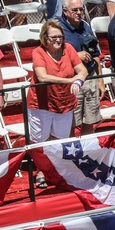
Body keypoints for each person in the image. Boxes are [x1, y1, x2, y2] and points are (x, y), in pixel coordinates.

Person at [28, 20, 86, 153]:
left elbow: (82, 71)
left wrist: (78, 81)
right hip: (41, 104)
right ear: (45, 38)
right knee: (40, 140)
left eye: (60, 37)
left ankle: (57, 170)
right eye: (54, 37)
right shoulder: (38, 52)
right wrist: (70, 80)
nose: (58, 40)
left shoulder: (68, 48)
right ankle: (41, 171)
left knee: (62, 139)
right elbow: (42, 77)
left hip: (64, 102)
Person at [58, 0, 102, 136]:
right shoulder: (57, 29)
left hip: (90, 78)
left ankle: (87, 152)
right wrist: (76, 55)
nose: (79, 13)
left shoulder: (86, 26)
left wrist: (100, 81)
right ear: (65, 11)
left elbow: (96, 56)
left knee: (89, 120)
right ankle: (72, 154)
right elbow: (52, 57)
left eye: (81, 9)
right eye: (75, 10)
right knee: (70, 122)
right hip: (71, 81)